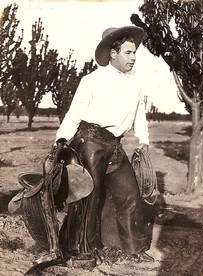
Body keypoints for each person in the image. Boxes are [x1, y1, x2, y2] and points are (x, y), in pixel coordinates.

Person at [55, 26, 153, 263]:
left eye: (134, 53)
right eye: (128, 53)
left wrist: (144, 141)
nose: (133, 58)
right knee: (88, 196)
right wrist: (60, 140)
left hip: (115, 146)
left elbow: (140, 112)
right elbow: (74, 113)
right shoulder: (91, 81)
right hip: (90, 141)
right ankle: (80, 249)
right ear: (113, 54)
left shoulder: (137, 81)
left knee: (129, 194)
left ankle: (133, 249)